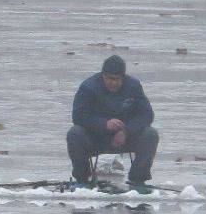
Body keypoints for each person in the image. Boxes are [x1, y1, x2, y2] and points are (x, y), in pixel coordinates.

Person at [67, 54, 158, 192]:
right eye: (109, 78)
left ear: (123, 77)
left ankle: (138, 179)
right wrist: (104, 124)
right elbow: (78, 116)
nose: (113, 83)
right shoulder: (88, 87)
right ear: (102, 75)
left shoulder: (133, 87)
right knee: (74, 133)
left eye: (117, 79)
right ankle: (82, 179)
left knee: (151, 134)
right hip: (96, 138)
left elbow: (147, 115)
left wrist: (126, 131)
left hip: (125, 138)